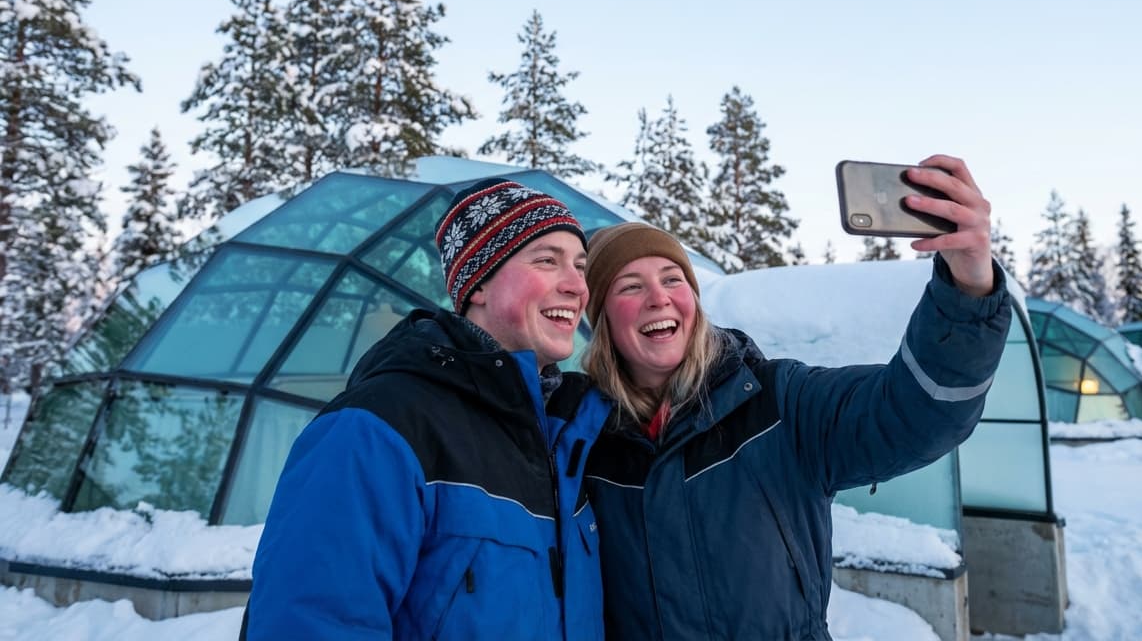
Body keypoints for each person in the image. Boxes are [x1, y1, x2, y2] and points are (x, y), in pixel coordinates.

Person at [580, 155, 1012, 641]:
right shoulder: (581, 440)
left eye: (673, 279)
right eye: (630, 287)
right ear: (602, 321)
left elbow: (916, 412)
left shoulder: (780, 405)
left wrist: (968, 289)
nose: (658, 298)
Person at [243, 179, 611, 640]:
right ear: (479, 284)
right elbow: (309, 623)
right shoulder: (376, 430)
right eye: (546, 260)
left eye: (581, 266)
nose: (578, 286)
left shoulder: (569, 437)